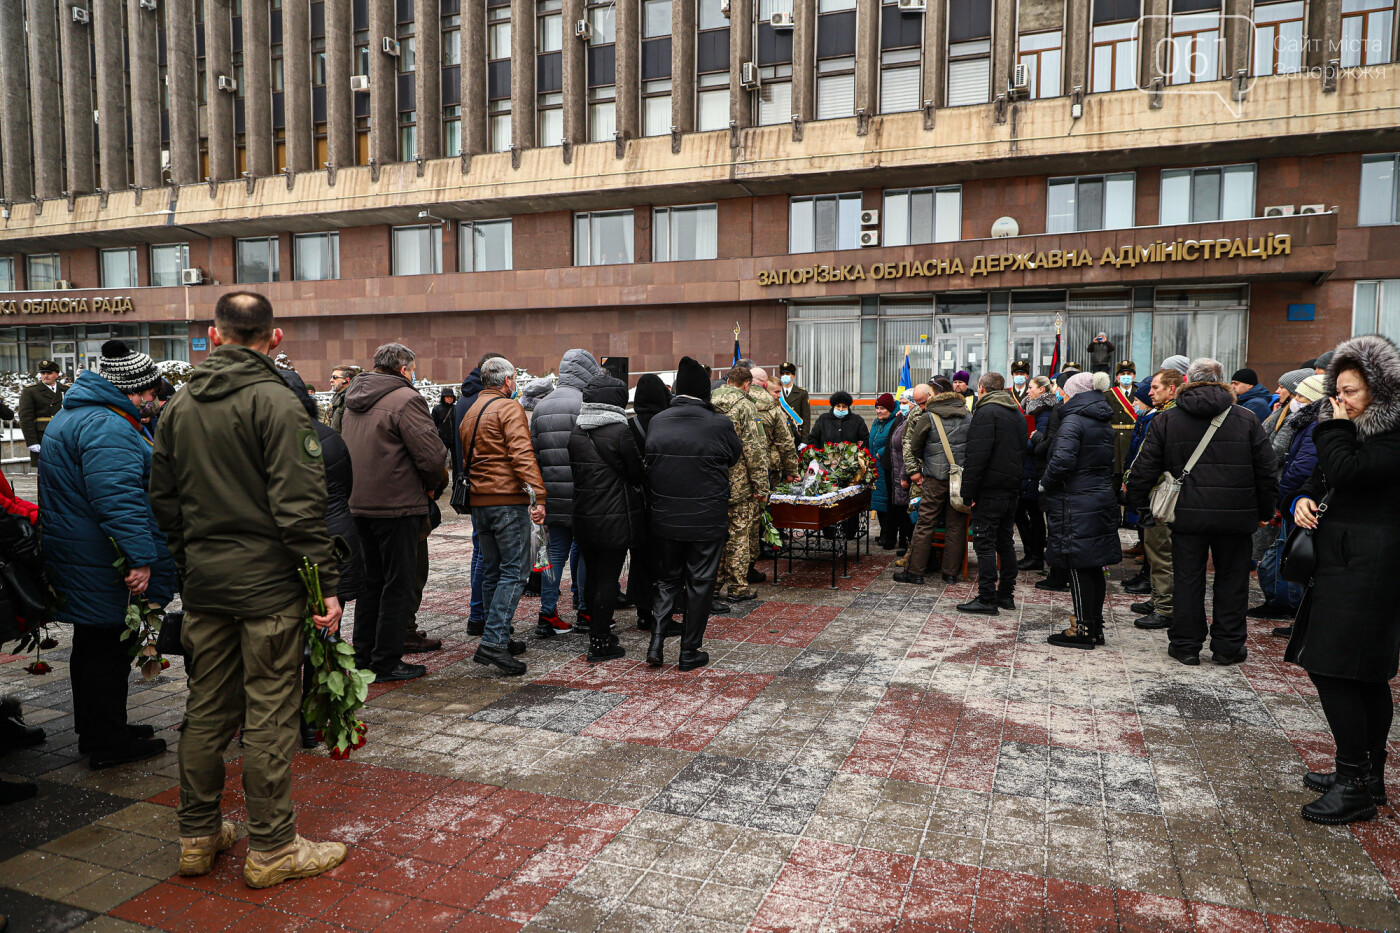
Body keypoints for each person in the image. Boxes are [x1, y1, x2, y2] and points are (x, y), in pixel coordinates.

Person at [150, 292, 346, 889]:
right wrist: (325, 589)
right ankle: (272, 847)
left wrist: (194, 564)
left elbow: (163, 501)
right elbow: (301, 510)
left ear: (214, 335)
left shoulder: (178, 406)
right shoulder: (278, 404)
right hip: (267, 592)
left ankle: (198, 835)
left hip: (207, 587)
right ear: (275, 337)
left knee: (206, 711)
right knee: (269, 714)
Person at [41, 341, 175, 770]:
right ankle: (106, 740)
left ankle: (103, 728)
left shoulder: (80, 413)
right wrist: (140, 557)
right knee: (105, 648)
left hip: (84, 553)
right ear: (132, 389)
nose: (153, 399)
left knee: (97, 644)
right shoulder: (106, 425)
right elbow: (117, 499)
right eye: (149, 392)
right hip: (101, 559)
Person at [1284, 336, 1400, 825]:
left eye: (1351, 392)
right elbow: (1328, 480)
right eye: (1339, 391)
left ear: (1380, 390)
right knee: (1363, 672)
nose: (1341, 401)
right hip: (1349, 560)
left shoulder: (1390, 433)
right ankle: (1366, 774)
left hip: (1371, 565)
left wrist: (1331, 426)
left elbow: (1350, 472)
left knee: (1335, 668)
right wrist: (1302, 500)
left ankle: (1353, 781)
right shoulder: (1356, 429)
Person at [1126, 358, 1277, 666]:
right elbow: (1266, 470)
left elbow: (1145, 467)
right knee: (1233, 582)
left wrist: (1140, 505)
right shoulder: (1246, 419)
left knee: (1187, 579)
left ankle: (1185, 644)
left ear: (1187, 381)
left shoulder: (1169, 419)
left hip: (1187, 515)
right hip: (1236, 515)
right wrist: (1265, 511)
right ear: (1221, 380)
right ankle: (1228, 646)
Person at [341, 343, 448, 683]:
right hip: (397, 506)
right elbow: (432, 458)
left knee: (371, 583)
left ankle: (363, 655)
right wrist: (434, 488)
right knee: (397, 585)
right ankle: (386, 662)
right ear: (404, 369)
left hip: (359, 504)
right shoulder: (406, 399)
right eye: (412, 369)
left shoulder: (351, 399)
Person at [281, 369, 365, 748]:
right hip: (333, 541)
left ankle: (280, 718)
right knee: (323, 635)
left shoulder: (265, 442)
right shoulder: (328, 437)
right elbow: (342, 492)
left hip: (297, 549)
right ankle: (314, 720)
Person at [644, 357, 742, 670]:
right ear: (704, 391)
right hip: (705, 517)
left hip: (666, 516)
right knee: (700, 583)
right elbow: (734, 457)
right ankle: (689, 651)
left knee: (667, 579)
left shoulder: (658, 420)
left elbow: (651, 459)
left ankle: (656, 643)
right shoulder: (719, 423)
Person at [458, 356, 546, 675]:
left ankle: (499, 635)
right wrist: (538, 494)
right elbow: (522, 454)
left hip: (480, 502)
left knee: (493, 569)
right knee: (515, 571)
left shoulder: (471, 411)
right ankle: (494, 642)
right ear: (508, 381)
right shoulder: (509, 408)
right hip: (506, 499)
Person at [568, 373, 644, 663]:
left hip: (584, 516)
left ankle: (596, 632)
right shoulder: (619, 431)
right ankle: (600, 642)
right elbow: (636, 473)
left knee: (592, 575)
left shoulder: (577, 431)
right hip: (614, 518)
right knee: (608, 580)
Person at [1041, 372, 1121, 648]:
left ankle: (1084, 629)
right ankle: (1094, 627)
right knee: (1093, 566)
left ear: (1073, 393)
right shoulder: (1101, 420)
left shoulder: (1073, 420)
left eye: (1063, 390)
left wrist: (1045, 483)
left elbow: (1062, 461)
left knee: (1077, 564)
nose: (1060, 394)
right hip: (1097, 497)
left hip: (1076, 501)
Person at [532, 349, 606, 635]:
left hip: (552, 497)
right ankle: (585, 610)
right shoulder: (585, 403)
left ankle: (547, 614)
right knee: (586, 552)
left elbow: (535, 455)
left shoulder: (541, 406)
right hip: (582, 495)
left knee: (555, 554)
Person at [1256, 373, 1326, 631]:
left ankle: (1289, 606)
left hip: (1299, 500)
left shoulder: (1314, 424)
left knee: (1293, 553)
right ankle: (1283, 603)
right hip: (1294, 497)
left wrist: (1284, 495)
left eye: (1301, 396)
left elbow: (1302, 466)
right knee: (1283, 551)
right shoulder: (1305, 421)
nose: (1295, 400)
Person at [956, 373, 1026, 614]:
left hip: (989, 490)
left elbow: (976, 456)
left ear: (982, 389)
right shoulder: (1015, 411)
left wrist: (968, 492)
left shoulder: (986, 412)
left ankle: (987, 598)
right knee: (1005, 542)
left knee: (984, 544)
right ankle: (1006, 595)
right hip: (1010, 489)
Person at [894, 383, 970, 585]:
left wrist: (927, 462)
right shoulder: (967, 414)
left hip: (935, 478)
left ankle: (915, 572)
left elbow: (915, 446)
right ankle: (951, 574)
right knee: (956, 525)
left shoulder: (929, 416)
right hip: (959, 478)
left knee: (926, 523)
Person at [1126, 368, 1184, 632]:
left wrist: (1135, 486)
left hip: (1163, 492)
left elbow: (1149, 459)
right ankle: (1159, 598)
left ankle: (1165, 608)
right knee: (1157, 551)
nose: (1150, 392)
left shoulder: (1168, 417)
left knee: (1161, 553)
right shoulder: (1166, 414)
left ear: (1172, 389)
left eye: (1156, 388)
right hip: (1161, 491)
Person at [453, 352, 506, 636]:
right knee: (488, 555)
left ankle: (478, 613)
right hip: (487, 486)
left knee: (480, 552)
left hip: (471, 482)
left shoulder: (465, 398)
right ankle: (481, 615)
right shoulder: (482, 401)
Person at [711, 366, 770, 603]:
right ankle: (737, 587)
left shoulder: (709, 401)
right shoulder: (746, 406)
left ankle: (712, 585)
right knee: (738, 535)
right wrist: (761, 487)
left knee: (715, 536)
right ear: (747, 385)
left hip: (711, 480)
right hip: (739, 483)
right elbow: (753, 450)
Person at [747, 367, 799, 574]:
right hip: (767, 468)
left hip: (739, 472)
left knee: (746, 519)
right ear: (765, 384)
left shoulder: (735, 403)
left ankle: (746, 562)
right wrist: (792, 469)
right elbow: (787, 442)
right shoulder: (771, 408)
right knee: (763, 511)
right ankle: (755, 558)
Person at [1016, 376, 1058, 572]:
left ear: (1042, 390)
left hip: (1035, 469)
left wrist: (1019, 443)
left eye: (1031, 387)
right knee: (1027, 512)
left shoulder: (1044, 412)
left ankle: (1034, 555)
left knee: (1032, 513)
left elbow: (1039, 442)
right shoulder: (1033, 407)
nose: (1027, 391)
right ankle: (1032, 553)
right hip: (1029, 468)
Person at [869, 393, 902, 549]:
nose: (879, 411)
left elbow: (895, 441)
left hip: (887, 467)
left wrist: (882, 452)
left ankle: (889, 535)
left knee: (887, 503)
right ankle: (883, 533)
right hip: (876, 468)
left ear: (889, 409)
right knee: (879, 502)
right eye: (877, 408)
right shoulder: (877, 423)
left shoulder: (894, 422)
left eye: (882, 408)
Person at [18, 360, 64, 465]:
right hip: (42, 436)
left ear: (56, 374)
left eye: (49, 373)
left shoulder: (66, 390)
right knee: (45, 473)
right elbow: (26, 418)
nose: (46, 376)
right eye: (43, 373)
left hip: (63, 435)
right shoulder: (31, 391)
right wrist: (32, 441)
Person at [1107, 361, 1138, 488]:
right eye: (1122, 374)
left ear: (1134, 376)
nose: (1126, 376)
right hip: (1114, 439)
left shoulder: (1140, 392)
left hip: (1133, 437)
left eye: (1129, 373)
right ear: (1117, 377)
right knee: (1115, 476)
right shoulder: (1108, 394)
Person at [1263, 368, 1313, 440]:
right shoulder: (1281, 410)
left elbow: (1278, 448)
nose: (1277, 391)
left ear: (1293, 392)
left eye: (1281, 387)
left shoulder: (1293, 417)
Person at [777, 362, 810, 441]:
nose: (785, 376)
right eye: (782, 374)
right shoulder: (776, 392)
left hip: (796, 433)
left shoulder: (802, 393)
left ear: (793, 376)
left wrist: (805, 440)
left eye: (787, 373)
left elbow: (806, 417)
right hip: (780, 434)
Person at [326, 364, 355, 431]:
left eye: (335, 377)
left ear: (347, 380)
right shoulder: (337, 397)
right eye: (331, 377)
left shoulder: (351, 399)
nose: (331, 380)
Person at [432, 388, 458, 455]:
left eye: (451, 397)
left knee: (456, 460)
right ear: (443, 398)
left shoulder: (456, 408)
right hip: (443, 439)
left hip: (455, 439)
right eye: (447, 397)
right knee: (442, 458)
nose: (449, 398)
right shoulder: (437, 409)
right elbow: (433, 424)